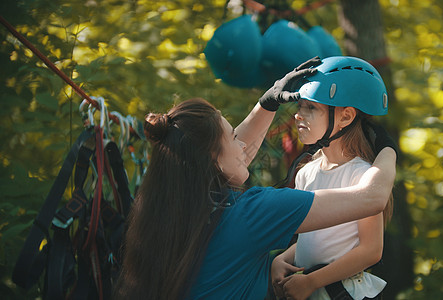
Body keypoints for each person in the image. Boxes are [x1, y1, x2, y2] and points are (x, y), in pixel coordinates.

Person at [113, 58, 397, 300]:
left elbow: (348, 245)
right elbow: (372, 197)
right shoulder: (252, 212)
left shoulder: (173, 206)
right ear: (212, 160)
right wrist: (387, 149)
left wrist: (267, 103)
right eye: (232, 139)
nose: (243, 147)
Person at [270, 56, 394, 300]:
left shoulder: (363, 175)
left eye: (311, 107)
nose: (298, 115)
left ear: (345, 117)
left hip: (343, 292)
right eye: (300, 106)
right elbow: (317, 241)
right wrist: (281, 259)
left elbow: (371, 251)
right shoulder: (306, 173)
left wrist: (311, 281)